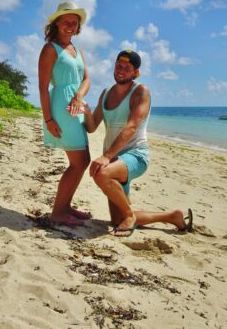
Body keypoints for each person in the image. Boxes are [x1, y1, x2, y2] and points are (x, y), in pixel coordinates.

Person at [81, 49, 193, 237]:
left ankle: (129, 216)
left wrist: (106, 156)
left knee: (100, 174)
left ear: (136, 73)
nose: (121, 70)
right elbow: (92, 127)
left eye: (127, 68)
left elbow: (132, 127)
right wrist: (85, 112)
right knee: (118, 219)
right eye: (118, 66)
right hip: (115, 160)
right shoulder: (106, 93)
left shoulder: (141, 92)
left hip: (135, 156)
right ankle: (172, 216)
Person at [38, 1, 91, 227]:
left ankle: (65, 206)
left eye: (74, 22)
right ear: (57, 23)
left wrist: (79, 95)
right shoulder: (50, 49)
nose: (71, 25)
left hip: (76, 106)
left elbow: (86, 79)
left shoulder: (77, 51)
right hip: (61, 107)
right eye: (66, 21)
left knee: (82, 159)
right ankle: (58, 212)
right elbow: (42, 86)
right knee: (80, 161)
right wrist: (49, 119)